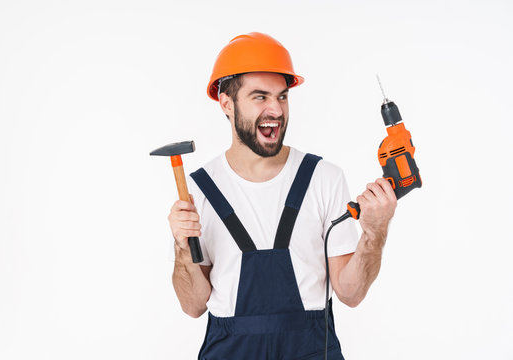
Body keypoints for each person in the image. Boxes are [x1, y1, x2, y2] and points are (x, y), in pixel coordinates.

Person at [168, 32, 397, 359]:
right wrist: (181, 247)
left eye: (283, 96)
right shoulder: (199, 192)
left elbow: (351, 293)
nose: (275, 109)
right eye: (260, 97)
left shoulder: (323, 179)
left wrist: (375, 232)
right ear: (226, 103)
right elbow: (193, 305)